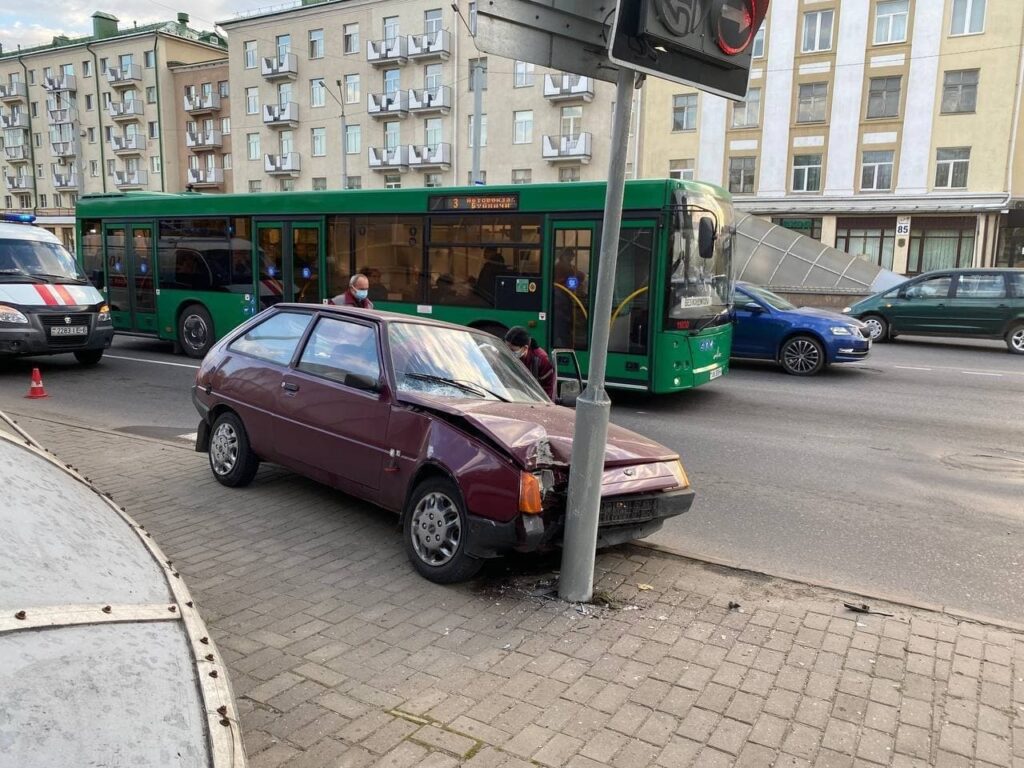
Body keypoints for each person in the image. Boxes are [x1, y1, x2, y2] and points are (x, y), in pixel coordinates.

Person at [504, 326, 556, 400]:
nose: (508, 352)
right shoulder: (503, 354)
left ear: (525, 348)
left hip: (533, 401)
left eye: (512, 349)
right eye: (506, 347)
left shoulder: (541, 359)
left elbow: (548, 389)